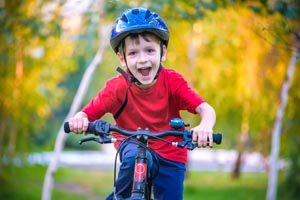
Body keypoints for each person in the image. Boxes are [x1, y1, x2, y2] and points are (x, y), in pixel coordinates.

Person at [68, 7, 216, 200]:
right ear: (122, 58)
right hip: (132, 144)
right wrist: (79, 119)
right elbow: (86, 114)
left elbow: (205, 109)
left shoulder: (173, 82)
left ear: (162, 52)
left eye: (149, 50)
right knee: (132, 156)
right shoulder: (116, 89)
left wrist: (205, 126)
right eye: (133, 53)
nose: (143, 59)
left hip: (171, 152)